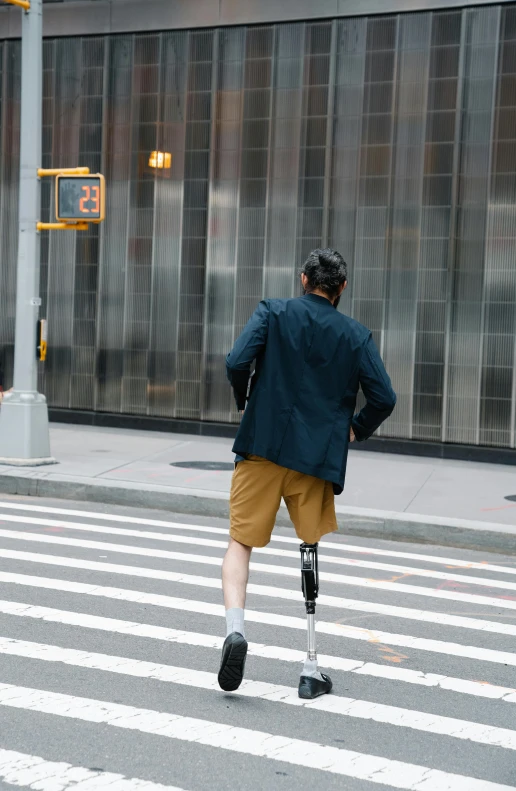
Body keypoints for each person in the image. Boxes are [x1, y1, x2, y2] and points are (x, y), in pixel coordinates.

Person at [219, 248, 396, 697]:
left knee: (240, 543)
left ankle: (235, 631)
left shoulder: (272, 312)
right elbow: (384, 397)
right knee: (309, 546)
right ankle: (310, 666)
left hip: (261, 447)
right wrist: (354, 430)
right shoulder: (355, 336)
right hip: (315, 459)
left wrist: (245, 400)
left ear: (303, 279)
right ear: (342, 288)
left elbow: (237, 361)